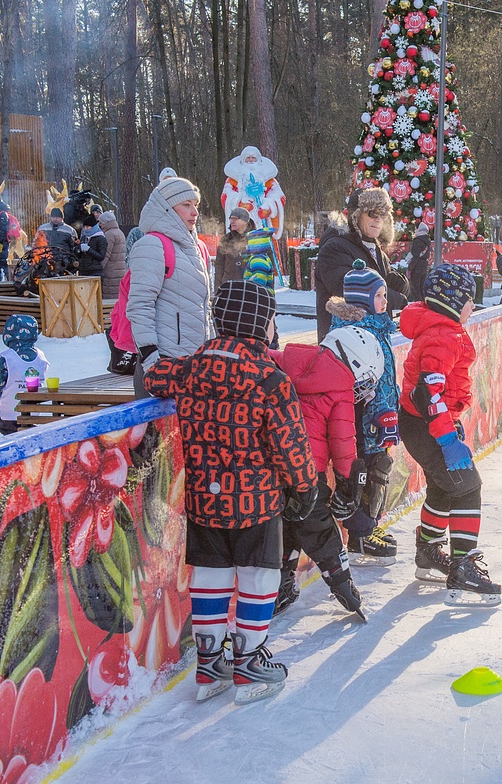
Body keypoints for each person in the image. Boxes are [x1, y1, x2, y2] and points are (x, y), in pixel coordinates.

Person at [144, 279, 318, 705]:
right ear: (261, 324)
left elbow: (154, 377)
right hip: (255, 500)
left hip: (204, 498)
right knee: (259, 576)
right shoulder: (268, 379)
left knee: (211, 576)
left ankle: (209, 664)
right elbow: (289, 442)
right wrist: (305, 485)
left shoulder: (188, 370)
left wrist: (152, 354)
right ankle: (249, 661)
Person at [398, 263, 500, 606]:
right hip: (427, 426)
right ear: (454, 302)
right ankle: (463, 566)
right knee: (468, 485)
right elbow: (429, 393)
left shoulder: (439, 329)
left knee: (444, 486)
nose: (473, 306)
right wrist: (447, 440)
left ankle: (428, 550)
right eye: (470, 299)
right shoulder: (445, 335)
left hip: (423, 424)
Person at [270, 326, 384, 620]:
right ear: (355, 362)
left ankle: (279, 584)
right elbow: (343, 443)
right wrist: (349, 485)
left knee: (286, 524)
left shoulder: (285, 359)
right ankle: (343, 586)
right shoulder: (341, 386)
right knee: (319, 527)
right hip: (308, 473)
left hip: (267, 467)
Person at [325, 260, 402, 564]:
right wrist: (380, 411)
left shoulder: (378, 325)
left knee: (378, 469)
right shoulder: (354, 332)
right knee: (366, 472)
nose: (386, 301)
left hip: (379, 413)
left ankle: (370, 526)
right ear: (363, 300)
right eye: (380, 296)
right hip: (363, 419)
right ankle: (361, 533)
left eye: (384, 295)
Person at [126, 176, 213, 397]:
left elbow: (204, 307)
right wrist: (151, 360)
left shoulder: (199, 248)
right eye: (186, 205)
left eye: (196, 205)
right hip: (163, 363)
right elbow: (140, 306)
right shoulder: (152, 245)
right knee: (158, 432)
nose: (194, 212)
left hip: (194, 365)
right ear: (166, 208)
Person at [314, 188, 408, 341]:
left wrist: (402, 284)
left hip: (375, 340)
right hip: (344, 343)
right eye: (372, 213)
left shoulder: (377, 251)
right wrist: (398, 298)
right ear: (355, 215)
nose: (378, 219)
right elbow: (356, 291)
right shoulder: (335, 247)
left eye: (382, 214)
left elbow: (386, 286)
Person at [0, 315, 49, 436]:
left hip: (10, 412)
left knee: (10, 435)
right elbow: (43, 371)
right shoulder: (40, 356)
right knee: (29, 435)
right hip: (33, 410)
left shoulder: (6, 358)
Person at [215, 207, 253, 293]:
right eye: (231, 218)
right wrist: (217, 290)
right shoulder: (226, 239)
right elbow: (219, 266)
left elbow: (268, 266)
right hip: (229, 288)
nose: (231, 221)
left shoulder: (257, 238)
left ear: (245, 221)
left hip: (252, 289)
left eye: (235, 219)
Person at [98, 210, 126, 299]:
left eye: (101, 223)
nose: (100, 225)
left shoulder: (109, 235)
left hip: (110, 273)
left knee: (109, 299)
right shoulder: (120, 232)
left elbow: (106, 254)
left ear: (107, 223)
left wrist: (99, 268)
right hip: (120, 271)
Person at [77, 208, 108, 278]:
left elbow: (101, 256)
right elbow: (79, 256)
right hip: (83, 271)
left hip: (95, 272)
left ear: (93, 227)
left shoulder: (101, 238)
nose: (85, 229)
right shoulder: (84, 237)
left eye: (87, 227)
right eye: (84, 227)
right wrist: (77, 248)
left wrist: (89, 249)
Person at [405, 222, 433, 301]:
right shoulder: (427, 241)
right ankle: (423, 305)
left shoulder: (418, 240)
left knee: (415, 289)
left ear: (419, 229)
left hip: (417, 267)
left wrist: (410, 269)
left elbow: (415, 256)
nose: (415, 230)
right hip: (424, 266)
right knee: (421, 289)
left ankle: (418, 307)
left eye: (416, 229)